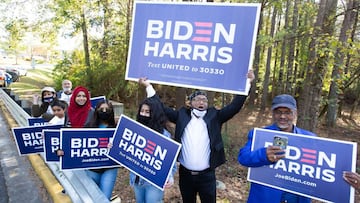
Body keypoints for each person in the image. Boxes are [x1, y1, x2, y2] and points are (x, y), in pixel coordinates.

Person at [139, 70, 254, 203]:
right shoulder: (181, 115)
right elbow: (161, 107)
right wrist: (148, 86)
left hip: (207, 176)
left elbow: (235, 106)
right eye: (198, 99)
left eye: (204, 100)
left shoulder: (215, 116)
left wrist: (247, 83)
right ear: (190, 103)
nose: (201, 102)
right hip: (185, 175)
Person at [238, 94, 317, 203]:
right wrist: (263, 155)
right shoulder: (260, 135)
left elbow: (323, 168)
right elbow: (243, 157)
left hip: (296, 198)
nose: (282, 116)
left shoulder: (310, 138)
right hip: (265, 198)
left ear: (295, 113)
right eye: (278, 112)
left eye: (287, 112)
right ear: (273, 114)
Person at [129, 97, 177, 203]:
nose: (144, 114)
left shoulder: (163, 134)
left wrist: (170, 176)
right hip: (137, 179)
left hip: (154, 182)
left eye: (147, 112)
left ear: (154, 113)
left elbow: (169, 160)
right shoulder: (134, 130)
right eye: (142, 111)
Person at [84, 100, 119, 200]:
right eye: (101, 109)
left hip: (109, 168)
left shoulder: (117, 128)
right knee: (91, 198)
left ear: (111, 111)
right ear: (96, 111)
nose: (104, 111)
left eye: (107, 109)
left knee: (104, 199)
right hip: (91, 168)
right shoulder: (88, 127)